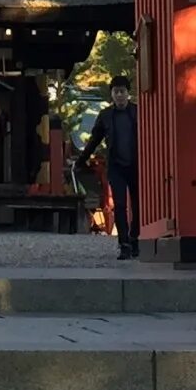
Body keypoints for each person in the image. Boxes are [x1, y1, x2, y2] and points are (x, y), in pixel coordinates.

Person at [78, 77, 140, 259]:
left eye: (122, 91)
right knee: (119, 204)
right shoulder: (105, 116)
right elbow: (94, 140)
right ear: (112, 94)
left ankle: (135, 237)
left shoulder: (138, 112)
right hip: (116, 165)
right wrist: (82, 160)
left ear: (128, 93)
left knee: (138, 205)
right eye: (116, 92)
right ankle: (124, 243)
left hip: (136, 163)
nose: (119, 95)